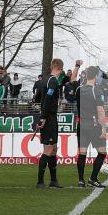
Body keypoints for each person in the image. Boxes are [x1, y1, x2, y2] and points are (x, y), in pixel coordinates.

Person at [34, 60, 77, 188]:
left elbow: (37, 98)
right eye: (62, 69)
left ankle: (53, 181)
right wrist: (43, 117)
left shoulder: (45, 80)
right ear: (59, 67)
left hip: (50, 116)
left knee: (53, 149)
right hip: (49, 117)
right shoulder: (52, 81)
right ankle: (40, 182)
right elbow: (47, 98)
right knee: (48, 149)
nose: (63, 71)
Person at [74, 66, 108, 188]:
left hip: (82, 124)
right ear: (96, 76)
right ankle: (93, 179)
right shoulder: (96, 91)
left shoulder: (79, 89)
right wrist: (104, 129)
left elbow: (72, 80)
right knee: (102, 152)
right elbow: (100, 111)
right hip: (94, 125)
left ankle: (81, 180)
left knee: (82, 153)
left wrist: (76, 67)